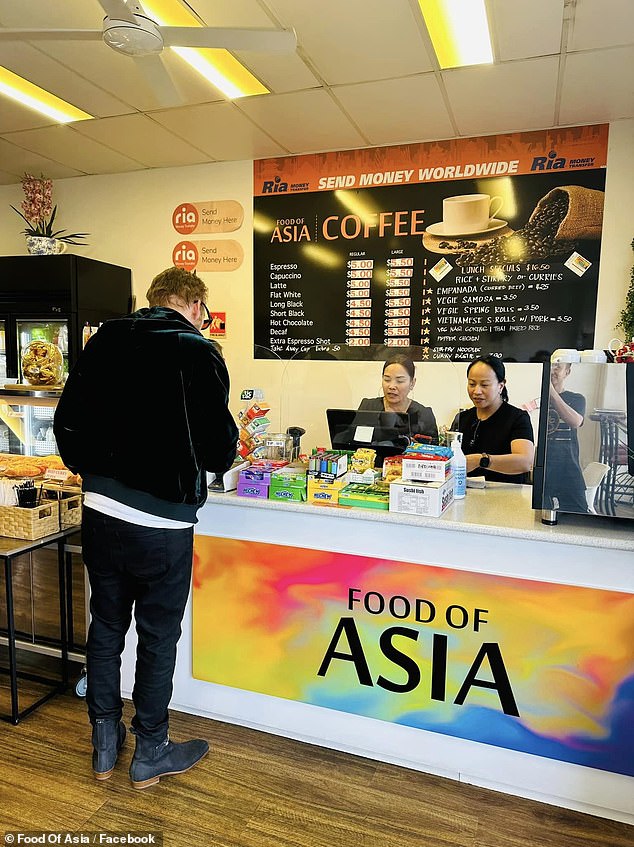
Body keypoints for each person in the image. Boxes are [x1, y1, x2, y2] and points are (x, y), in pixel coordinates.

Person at [54, 266, 238, 789]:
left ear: (152, 300)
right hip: (162, 521)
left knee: (106, 625)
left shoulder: (105, 340)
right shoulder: (198, 351)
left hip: (99, 512)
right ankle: (151, 747)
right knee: (158, 636)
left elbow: (67, 421)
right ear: (194, 304)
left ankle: (104, 743)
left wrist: (95, 471)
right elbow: (220, 447)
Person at [452, 355, 534, 483]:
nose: (477, 391)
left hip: (506, 497)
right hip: (465, 494)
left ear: (501, 386)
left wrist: (481, 460)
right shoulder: (462, 418)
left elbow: (525, 462)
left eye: (484, 385)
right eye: (472, 384)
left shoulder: (517, 418)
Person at [358, 355, 438, 443]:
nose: (391, 386)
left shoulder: (424, 415)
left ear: (412, 383)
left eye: (400, 381)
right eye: (387, 380)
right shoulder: (368, 408)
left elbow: (432, 451)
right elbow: (354, 443)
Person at [542, 362, 587, 512]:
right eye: (549, 366)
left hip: (569, 469)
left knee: (579, 517)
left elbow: (575, 421)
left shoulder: (576, 398)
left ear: (567, 372)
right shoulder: (534, 396)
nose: (552, 370)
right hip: (542, 470)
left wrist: (552, 393)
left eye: (557, 366)